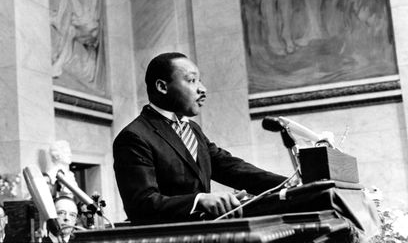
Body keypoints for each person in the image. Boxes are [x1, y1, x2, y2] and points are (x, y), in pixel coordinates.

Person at [113, 52, 288, 224]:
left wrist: (290, 184)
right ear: (162, 87)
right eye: (191, 80)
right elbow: (141, 205)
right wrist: (199, 200)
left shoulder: (192, 129)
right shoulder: (134, 137)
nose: (202, 89)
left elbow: (230, 167)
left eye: (200, 80)